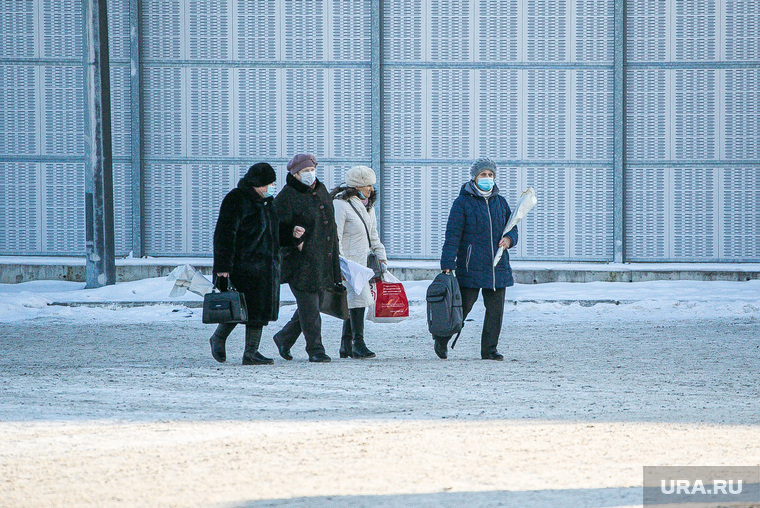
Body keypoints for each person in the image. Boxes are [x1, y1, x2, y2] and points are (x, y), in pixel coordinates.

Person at [208, 162, 301, 365]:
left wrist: (291, 234)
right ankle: (218, 337)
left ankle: (251, 352)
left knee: (258, 312)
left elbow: (274, 233)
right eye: (269, 183)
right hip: (242, 267)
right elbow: (224, 235)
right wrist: (223, 269)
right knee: (237, 308)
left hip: (265, 269)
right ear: (257, 183)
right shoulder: (236, 199)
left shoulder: (268, 203)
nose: (271, 187)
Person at [435, 157, 519, 361]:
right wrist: (447, 264)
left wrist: (509, 239)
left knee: (495, 312)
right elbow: (453, 235)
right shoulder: (462, 203)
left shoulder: (501, 202)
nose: (487, 178)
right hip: (470, 265)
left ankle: (489, 349)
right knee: (461, 308)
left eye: (490, 175)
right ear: (474, 177)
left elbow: (513, 227)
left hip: (497, 266)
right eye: (483, 174)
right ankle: (442, 339)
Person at [272, 153, 342, 363]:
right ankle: (315, 349)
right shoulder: (287, 196)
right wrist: (294, 240)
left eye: (312, 169)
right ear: (295, 174)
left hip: (322, 259)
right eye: (305, 171)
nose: (310, 174)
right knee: (310, 308)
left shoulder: (320, 191)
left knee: (313, 305)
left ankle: (284, 337)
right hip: (300, 263)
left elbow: (330, 225)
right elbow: (275, 227)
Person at [332, 165, 388, 359]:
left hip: (363, 263)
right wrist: (338, 263)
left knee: (355, 301)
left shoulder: (367, 206)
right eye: (367, 186)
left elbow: (373, 235)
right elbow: (335, 236)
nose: (371, 189)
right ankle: (358, 343)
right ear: (357, 187)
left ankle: (346, 344)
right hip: (348, 264)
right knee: (359, 301)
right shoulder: (341, 205)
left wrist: (381, 256)